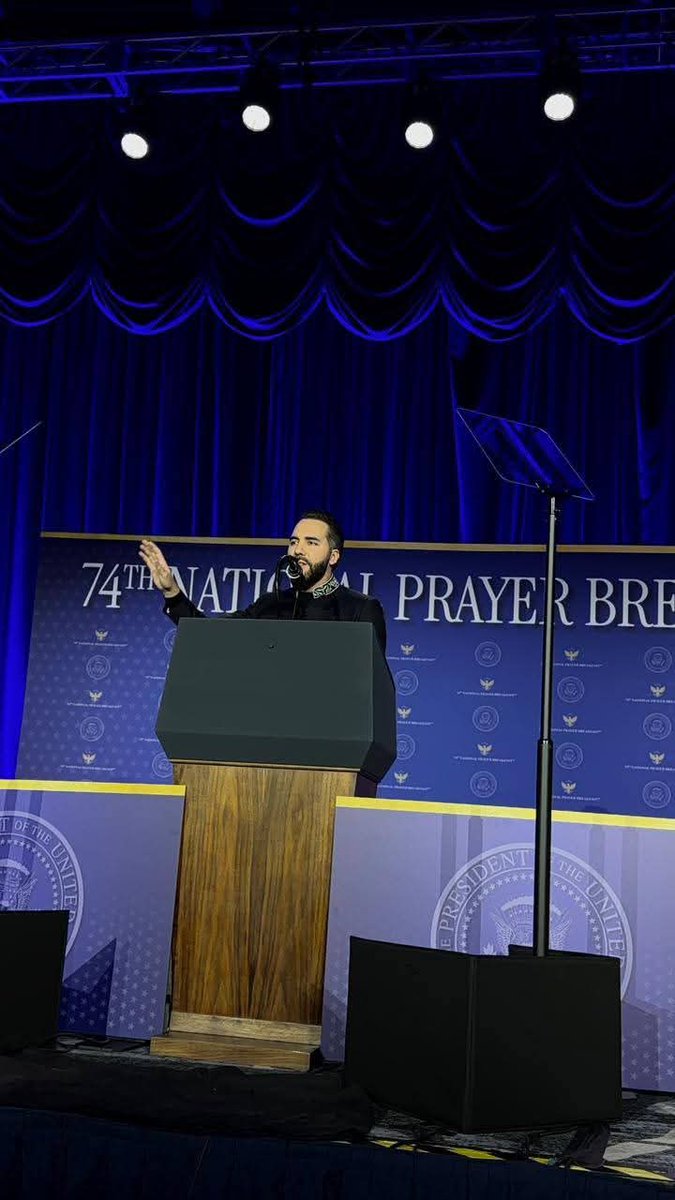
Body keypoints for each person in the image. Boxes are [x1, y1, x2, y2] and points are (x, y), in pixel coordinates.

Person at [139, 510, 387, 651]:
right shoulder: (270, 604)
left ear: (333, 556)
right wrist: (172, 591)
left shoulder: (360, 609)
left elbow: (369, 686)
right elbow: (209, 635)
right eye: (293, 542)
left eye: (311, 543)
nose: (298, 550)